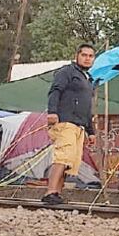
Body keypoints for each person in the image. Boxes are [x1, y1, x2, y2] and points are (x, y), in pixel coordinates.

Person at [42, 44, 96, 205]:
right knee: (63, 157)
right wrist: (52, 112)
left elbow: (87, 108)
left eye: (90, 56)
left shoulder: (88, 79)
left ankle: (57, 193)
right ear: (77, 55)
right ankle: (50, 191)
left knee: (71, 161)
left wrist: (90, 131)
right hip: (65, 121)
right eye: (84, 55)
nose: (87, 58)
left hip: (79, 126)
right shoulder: (67, 72)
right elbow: (55, 91)